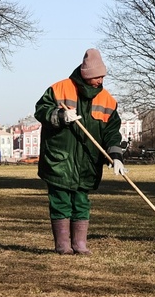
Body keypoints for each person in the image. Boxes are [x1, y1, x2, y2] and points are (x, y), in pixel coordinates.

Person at [34, 48, 125, 255]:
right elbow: (41, 110)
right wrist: (59, 116)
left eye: (102, 76)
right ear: (85, 74)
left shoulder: (107, 100)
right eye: (96, 77)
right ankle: (63, 245)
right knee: (60, 201)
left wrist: (116, 157)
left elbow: (112, 132)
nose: (100, 81)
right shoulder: (59, 89)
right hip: (59, 160)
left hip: (87, 162)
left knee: (81, 201)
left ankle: (80, 243)